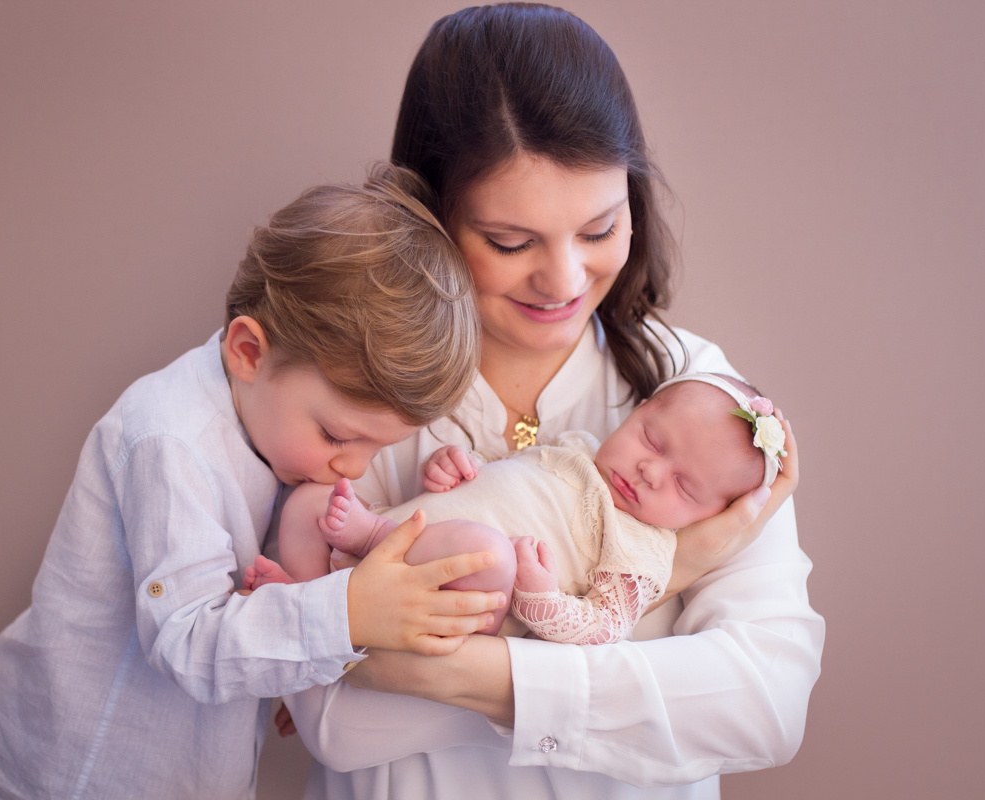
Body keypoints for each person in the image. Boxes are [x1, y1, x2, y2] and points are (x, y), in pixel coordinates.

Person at [282, 5, 825, 799]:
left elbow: (765, 706)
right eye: (511, 242)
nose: (566, 281)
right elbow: (335, 722)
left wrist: (445, 668)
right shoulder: (355, 386)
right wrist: (676, 576)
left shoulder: (701, 398)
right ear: (429, 217)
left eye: (601, 228)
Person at [0, 165, 509, 800]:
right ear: (249, 352)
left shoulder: (271, 425)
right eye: (336, 436)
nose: (352, 468)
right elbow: (185, 637)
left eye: (381, 446)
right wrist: (342, 615)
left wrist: (296, 649)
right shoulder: (172, 441)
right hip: (71, 772)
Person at [252, 373, 790, 646]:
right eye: (651, 439)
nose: (651, 470)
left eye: (684, 487)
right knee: (312, 500)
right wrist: (454, 464)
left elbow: (604, 628)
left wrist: (539, 594)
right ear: (640, 411)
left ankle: (369, 541)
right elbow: (500, 473)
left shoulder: (646, 549)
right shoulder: (578, 446)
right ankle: (305, 595)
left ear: (706, 518)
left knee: (486, 553)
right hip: (413, 524)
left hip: (457, 600)